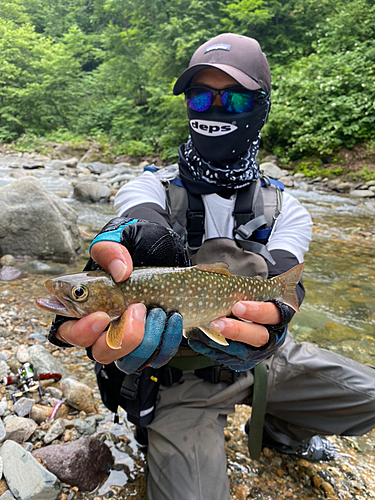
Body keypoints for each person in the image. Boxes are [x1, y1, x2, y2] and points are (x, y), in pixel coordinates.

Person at [48, 33, 375, 500]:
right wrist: (124, 242)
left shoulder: (287, 209)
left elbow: (287, 283)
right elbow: (132, 217)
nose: (215, 109)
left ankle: (284, 426)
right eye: (202, 96)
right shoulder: (149, 188)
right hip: (177, 378)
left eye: (235, 97)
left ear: (260, 106)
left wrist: (279, 319)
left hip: (265, 362)